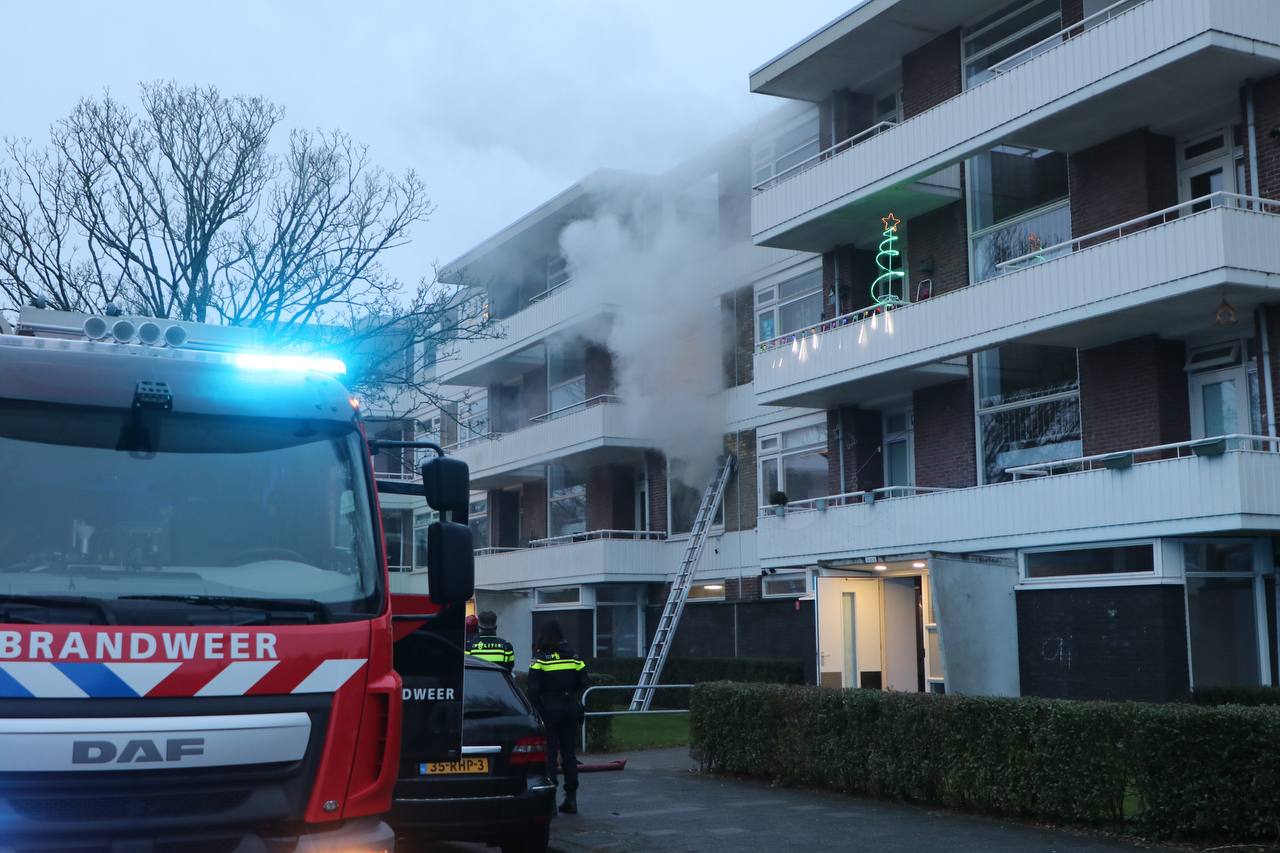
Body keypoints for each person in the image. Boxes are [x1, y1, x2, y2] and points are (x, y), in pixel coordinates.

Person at [526, 619, 588, 815]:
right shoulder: (574, 655)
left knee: (549, 755)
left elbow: (533, 690)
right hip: (571, 708)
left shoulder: (540, 658)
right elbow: (584, 681)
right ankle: (571, 800)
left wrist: (538, 709)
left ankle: (549, 803)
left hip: (549, 710)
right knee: (569, 754)